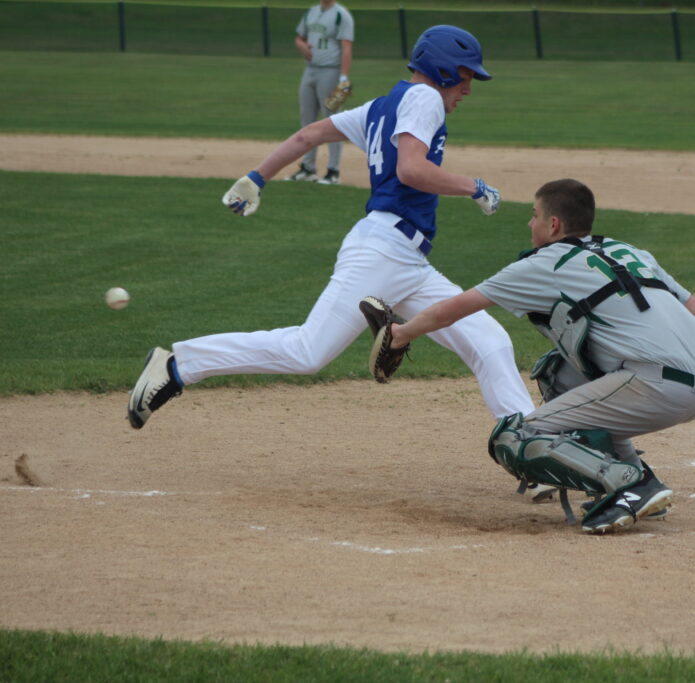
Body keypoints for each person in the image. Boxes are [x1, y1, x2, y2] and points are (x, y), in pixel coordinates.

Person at [127, 26, 535, 446]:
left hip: (406, 260)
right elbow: (410, 170)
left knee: (488, 340)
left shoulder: (382, 106)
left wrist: (256, 177)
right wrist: (475, 186)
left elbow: (309, 135)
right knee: (307, 351)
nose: (468, 88)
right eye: (466, 76)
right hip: (383, 251)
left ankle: (530, 441)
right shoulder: (426, 97)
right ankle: (179, 364)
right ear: (445, 70)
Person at [377, 179, 695, 535]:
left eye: (534, 215)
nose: (530, 224)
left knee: (516, 438)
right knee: (558, 373)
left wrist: (401, 334)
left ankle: (630, 486)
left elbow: (449, 312)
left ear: (554, 225)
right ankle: (636, 475)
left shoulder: (542, 265)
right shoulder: (629, 251)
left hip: (655, 387)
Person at [286, 0, 355, 185]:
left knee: (332, 120)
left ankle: (333, 171)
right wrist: (301, 44)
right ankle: (308, 168)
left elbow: (346, 46)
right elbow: (299, 37)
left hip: (330, 71)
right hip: (310, 70)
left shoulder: (341, 14)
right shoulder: (311, 12)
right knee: (306, 119)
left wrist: (343, 77)